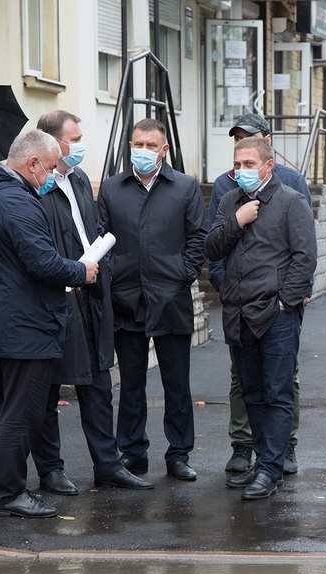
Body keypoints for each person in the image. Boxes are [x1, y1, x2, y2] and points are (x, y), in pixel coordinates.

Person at [0, 130, 97, 518]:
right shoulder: (17, 203)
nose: (54, 174)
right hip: (24, 325)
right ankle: (9, 493)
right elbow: (42, 262)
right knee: (20, 413)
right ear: (33, 164)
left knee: (6, 410)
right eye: (51, 166)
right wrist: (81, 270)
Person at [35, 110, 153, 492]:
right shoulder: (37, 184)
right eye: (75, 137)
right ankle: (50, 469)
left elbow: (93, 227)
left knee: (99, 382)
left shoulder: (81, 179)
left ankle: (108, 464)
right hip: (58, 291)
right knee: (48, 386)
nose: (81, 144)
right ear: (53, 143)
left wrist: (105, 263)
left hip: (93, 290)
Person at [205, 137, 317, 499]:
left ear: (269, 166)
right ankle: (262, 461)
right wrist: (236, 221)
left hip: (276, 315)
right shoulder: (229, 201)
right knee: (251, 392)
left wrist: (286, 301)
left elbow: (305, 258)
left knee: (278, 392)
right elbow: (211, 248)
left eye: (250, 164)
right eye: (238, 165)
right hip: (238, 313)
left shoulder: (291, 202)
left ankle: (270, 469)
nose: (242, 171)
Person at [98, 118, 207, 481]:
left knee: (177, 383)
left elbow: (198, 239)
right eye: (137, 144)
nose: (142, 151)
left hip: (170, 298)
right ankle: (133, 452)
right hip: (126, 298)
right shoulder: (113, 188)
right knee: (130, 382)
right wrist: (114, 278)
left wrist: (181, 275)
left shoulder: (186, 187)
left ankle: (178, 454)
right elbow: (102, 237)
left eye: (150, 145)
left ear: (164, 150)